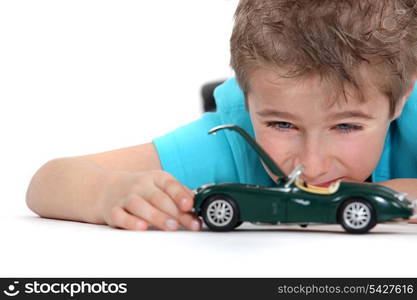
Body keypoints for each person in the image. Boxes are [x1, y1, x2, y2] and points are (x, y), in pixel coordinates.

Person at [26, 0, 417, 231]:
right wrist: (107, 193)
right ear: (248, 102)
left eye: (346, 125)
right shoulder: (232, 138)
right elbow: (48, 181)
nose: (311, 165)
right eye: (282, 124)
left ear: (401, 99)